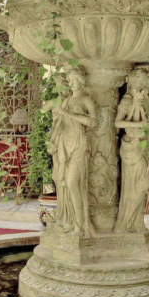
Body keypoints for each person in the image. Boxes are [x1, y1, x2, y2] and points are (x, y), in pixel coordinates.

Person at [47, 66, 97, 237]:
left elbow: (92, 123)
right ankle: (70, 220)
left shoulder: (86, 100)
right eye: (70, 80)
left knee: (72, 183)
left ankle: (80, 224)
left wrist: (68, 114)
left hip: (79, 144)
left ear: (82, 81)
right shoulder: (67, 100)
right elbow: (60, 121)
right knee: (64, 183)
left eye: (75, 80)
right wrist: (53, 140)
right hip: (64, 143)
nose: (72, 83)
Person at [114, 67, 149, 233]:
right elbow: (118, 123)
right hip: (131, 146)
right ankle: (124, 223)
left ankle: (136, 223)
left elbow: (148, 120)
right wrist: (138, 124)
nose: (144, 83)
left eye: (145, 79)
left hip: (142, 145)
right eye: (141, 79)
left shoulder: (144, 98)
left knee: (141, 186)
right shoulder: (128, 99)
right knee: (139, 185)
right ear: (134, 80)